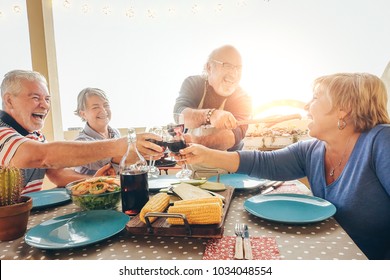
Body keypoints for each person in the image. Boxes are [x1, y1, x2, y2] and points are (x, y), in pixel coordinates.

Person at [177, 73, 390, 260]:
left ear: (344, 109)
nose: (307, 106)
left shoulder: (381, 141)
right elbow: (263, 162)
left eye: (316, 98)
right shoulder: (312, 150)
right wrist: (203, 154)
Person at [0, 70, 163, 194]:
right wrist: (121, 145)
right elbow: (43, 156)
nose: (45, 105)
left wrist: (97, 181)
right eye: (35, 98)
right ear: (9, 101)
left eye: (47, 99)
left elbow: (59, 175)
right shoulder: (2, 131)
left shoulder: (36, 136)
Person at [173, 45, 252, 152]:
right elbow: (180, 116)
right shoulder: (193, 84)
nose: (234, 74)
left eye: (238, 68)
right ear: (209, 67)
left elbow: (234, 136)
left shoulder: (243, 98)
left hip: (228, 166)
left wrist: (196, 142)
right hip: (190, 162)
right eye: (227, 66)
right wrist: (211, 115)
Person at [73, 87, 121, 175]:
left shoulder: (116, 133)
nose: (103, 110)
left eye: (106, 105)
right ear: (83, 114)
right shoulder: (81, 142)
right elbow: (105, 164)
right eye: (95, 107)